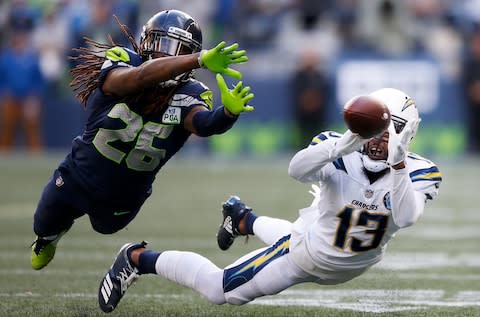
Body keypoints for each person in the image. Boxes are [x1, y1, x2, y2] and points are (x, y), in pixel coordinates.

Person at [98, 88, 442, 312]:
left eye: (390, 130)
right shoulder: (340, 148)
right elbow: (297, 171)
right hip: (301, 255)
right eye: (375, 129)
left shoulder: (420, 171)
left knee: (303, 231)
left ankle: (242, 218)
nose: (379, 140)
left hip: (339, 256)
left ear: (408, 132)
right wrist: (337, 147)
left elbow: (407, 215)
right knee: (221, 290)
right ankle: (137, 258)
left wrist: (397, 165)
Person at [30, 9, 254, 270]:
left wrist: (227, 114)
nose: (163, 54)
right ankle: (49, 238)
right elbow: (140, 77)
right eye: (159, 45)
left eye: (174, 49)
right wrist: (198, 59)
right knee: (44, 222)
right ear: (145, 43)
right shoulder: (124, 60)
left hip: (126, 194)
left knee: (105, 227)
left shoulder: (192, 92)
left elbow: (203, 125)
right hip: (78, 174)